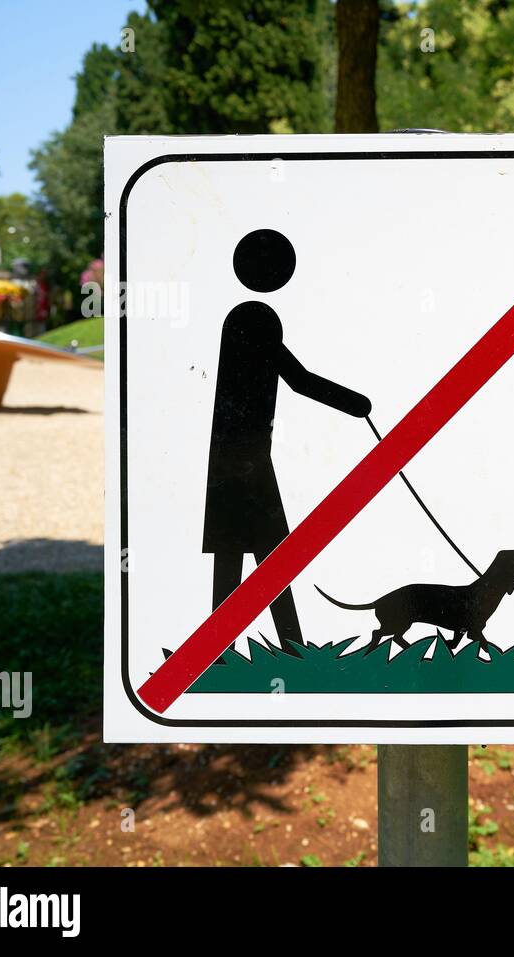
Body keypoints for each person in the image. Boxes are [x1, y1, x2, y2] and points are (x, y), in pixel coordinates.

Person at [204, 229, 371, 658]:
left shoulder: (242, 317)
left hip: (231, 458)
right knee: (269, 560)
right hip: (248, 461)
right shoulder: (255, 318)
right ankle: (288, 653)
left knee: (241, 557)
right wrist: (356, 404)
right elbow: (297, 380)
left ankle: (224, 656)